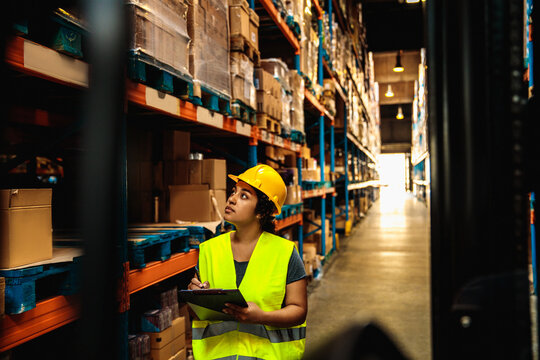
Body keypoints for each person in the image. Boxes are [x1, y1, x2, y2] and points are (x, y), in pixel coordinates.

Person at [188, 164, 308, 359]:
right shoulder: (210, 250)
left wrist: (262, 317)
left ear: (261, 210)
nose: (232, 198)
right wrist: (195, 299)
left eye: (244, 196)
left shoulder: (284, 253)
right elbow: (195, 314)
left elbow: (299, 310)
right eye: (234, 191)